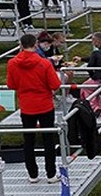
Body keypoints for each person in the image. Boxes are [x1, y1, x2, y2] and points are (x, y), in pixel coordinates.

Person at [5, 34, 62, 183]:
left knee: (28, 141)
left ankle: (33, 174)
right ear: (35, 44)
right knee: (48, 140)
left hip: (26, 106)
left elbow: (11, 85)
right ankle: (51, 174)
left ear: (21, 45)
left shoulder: (12, 63)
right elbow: (55, 85)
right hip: (44, 105)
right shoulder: (44, 63)